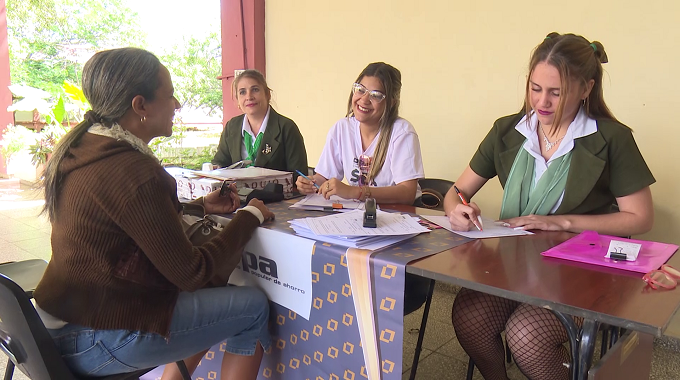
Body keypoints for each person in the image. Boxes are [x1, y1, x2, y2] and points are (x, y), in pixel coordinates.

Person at [32, 48, 275, 380]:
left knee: (212, 303)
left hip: (59, 326)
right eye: (171, 95)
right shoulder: (134, 170)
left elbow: (131, 223)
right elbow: (192, 273)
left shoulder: (85, 147)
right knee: (251, 307)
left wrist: (201, 206)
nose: (177, 105)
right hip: (97, 337)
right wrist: (250, 216)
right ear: (140, 106)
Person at [444, 32, 655, 380]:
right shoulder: (507, 131)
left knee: (527, 334)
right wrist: (456, 208)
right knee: (469, 317)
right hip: (514, 264)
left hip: (581, 272)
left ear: (586, 89)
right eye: (535, 88)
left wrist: (563, 223)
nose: (542, 101)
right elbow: (458, 191)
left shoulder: (610, 139)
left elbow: (641, 217)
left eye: (556, 92)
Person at [296, 62, 425, 205]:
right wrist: (310, 183)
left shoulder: (402, 133)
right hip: (358, 211)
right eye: (360, 90)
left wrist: (356, 192)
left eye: (375, 95)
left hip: (399, 214)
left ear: (392, 102)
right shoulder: (342, 128)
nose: (364, 100)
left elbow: (407, 193)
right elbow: (324, 178)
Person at [212, 69, 308, 177]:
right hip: (236, 193)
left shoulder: (286, 128)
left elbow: (299, 177)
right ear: (238, 100)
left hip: (276, 193)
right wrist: (215, 169)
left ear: (267, 94)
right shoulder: (232, 126)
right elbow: (220, 163)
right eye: (242, 92)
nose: (249, 97)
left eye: (255, 90)